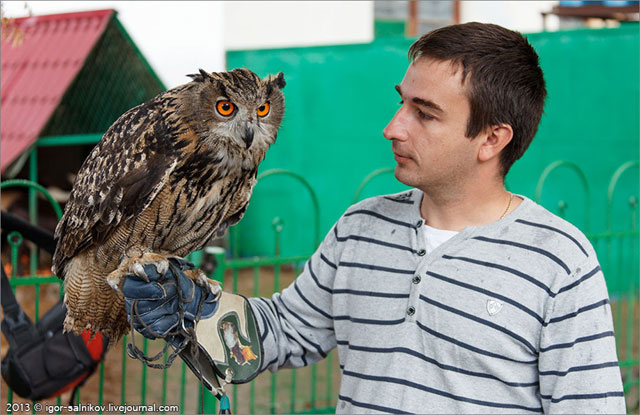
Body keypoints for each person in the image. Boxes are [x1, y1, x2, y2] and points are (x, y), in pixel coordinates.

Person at [121, 22, 626, 414]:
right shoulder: (360, 228)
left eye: (424, 114)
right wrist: (198, 310)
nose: (393, 128)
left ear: (491, 140)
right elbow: (282, 335)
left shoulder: (559, 261)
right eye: (401, 103)